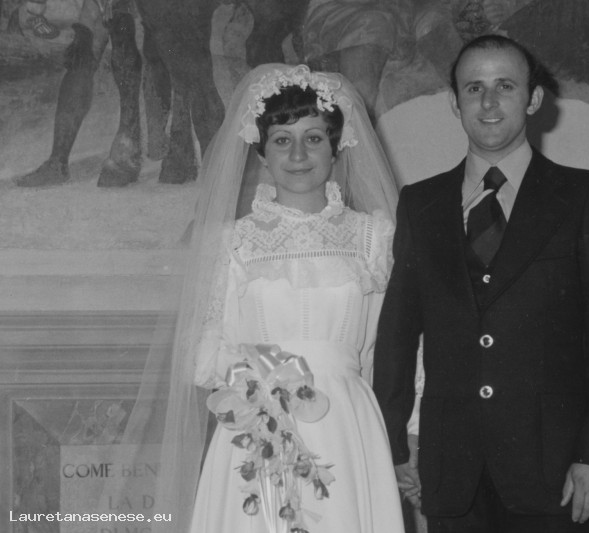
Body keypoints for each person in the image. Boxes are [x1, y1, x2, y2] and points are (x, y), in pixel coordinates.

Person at [102, 64, 405, 533]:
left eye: (314, 138)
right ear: (261, 151)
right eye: (282, 140)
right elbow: (206, 355)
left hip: (347, 424)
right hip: (259, 418)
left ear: (336, 146)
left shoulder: (374, 237)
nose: (298, 154)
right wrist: (258, 379)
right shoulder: (232, 242)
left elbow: (391, 349)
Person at [373, 34, 589, 533]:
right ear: (455, 103)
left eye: (505, 86)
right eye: (474, 88)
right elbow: (396, 338)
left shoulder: (583, 196)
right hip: (452, 473)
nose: (488, 102)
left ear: (533, 99)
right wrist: (394, 444)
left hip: (558, 472)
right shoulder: (420, 205)